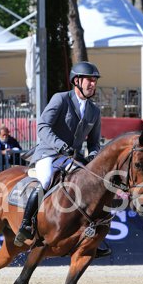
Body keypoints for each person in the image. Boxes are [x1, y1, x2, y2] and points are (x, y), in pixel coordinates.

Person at [14, 61, 102, 248]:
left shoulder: (94, 111)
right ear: (77, 81)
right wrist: (61, 146)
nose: (93, 84)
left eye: (95, 81)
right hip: (49, 153)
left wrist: (93, 156)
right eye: (89, 80)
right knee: (46, 180)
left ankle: (91, 234)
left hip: (71, 158)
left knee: (90, 184)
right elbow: (42, 126)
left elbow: (94, 142)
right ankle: (26, 224)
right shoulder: (61, 99)